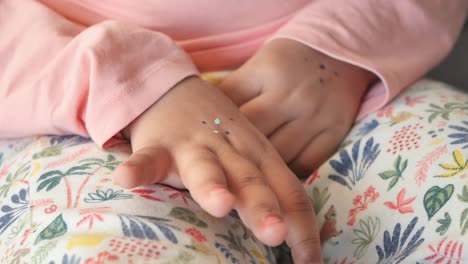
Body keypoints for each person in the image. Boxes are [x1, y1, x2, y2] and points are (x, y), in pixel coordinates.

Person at [0, 1, 466, 263]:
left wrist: (339, 45)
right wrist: (127, 81)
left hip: (344, 87)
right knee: (110, 249)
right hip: (81, 113)